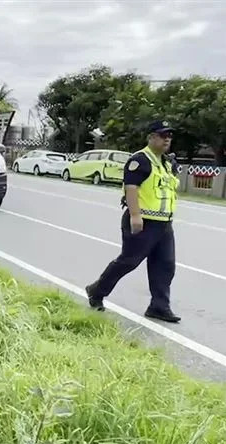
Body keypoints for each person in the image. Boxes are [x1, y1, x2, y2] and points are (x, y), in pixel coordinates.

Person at [85, 120, 181, 323]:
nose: (167, 139)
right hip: (143, 221)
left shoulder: (167, 163)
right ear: (152, 137)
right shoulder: (140, 160)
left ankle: (159, 306)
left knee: (165, 265)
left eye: (169, 136)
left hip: (164, 224)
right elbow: (131, 188)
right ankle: (97, 291)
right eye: (163, 135)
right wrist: (136, 216)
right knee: (129, 261)